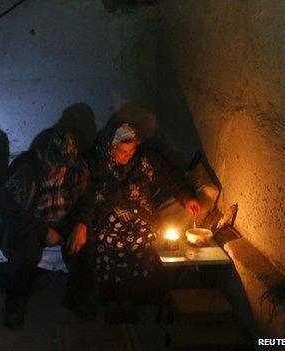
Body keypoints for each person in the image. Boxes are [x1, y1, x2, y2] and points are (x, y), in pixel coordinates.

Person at [83, 121, 201, 323]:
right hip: (107, 215)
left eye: (131, 150)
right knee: (108, 241)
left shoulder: (146, 161)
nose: (127, 155)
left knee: (145, 240)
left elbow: (171, 178)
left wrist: (187, 197)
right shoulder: (95, 162)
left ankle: (131, 297)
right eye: (121, 151)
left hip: (140, 215)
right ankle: (111, 298)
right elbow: (85, 196)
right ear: (111, 146)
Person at [0, 128, 97, 329]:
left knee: (87, 246)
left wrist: (81, 224)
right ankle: (15, 305)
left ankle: (76, 298)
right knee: (25, 252)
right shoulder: (24, 169)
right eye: (55, 164)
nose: (59, 171)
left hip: (65, 219)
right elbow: (10, 210)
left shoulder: (77, 166)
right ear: (42, 154)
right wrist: (43, 231)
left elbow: (87, 200)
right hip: (32, 222)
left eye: (64, 166)